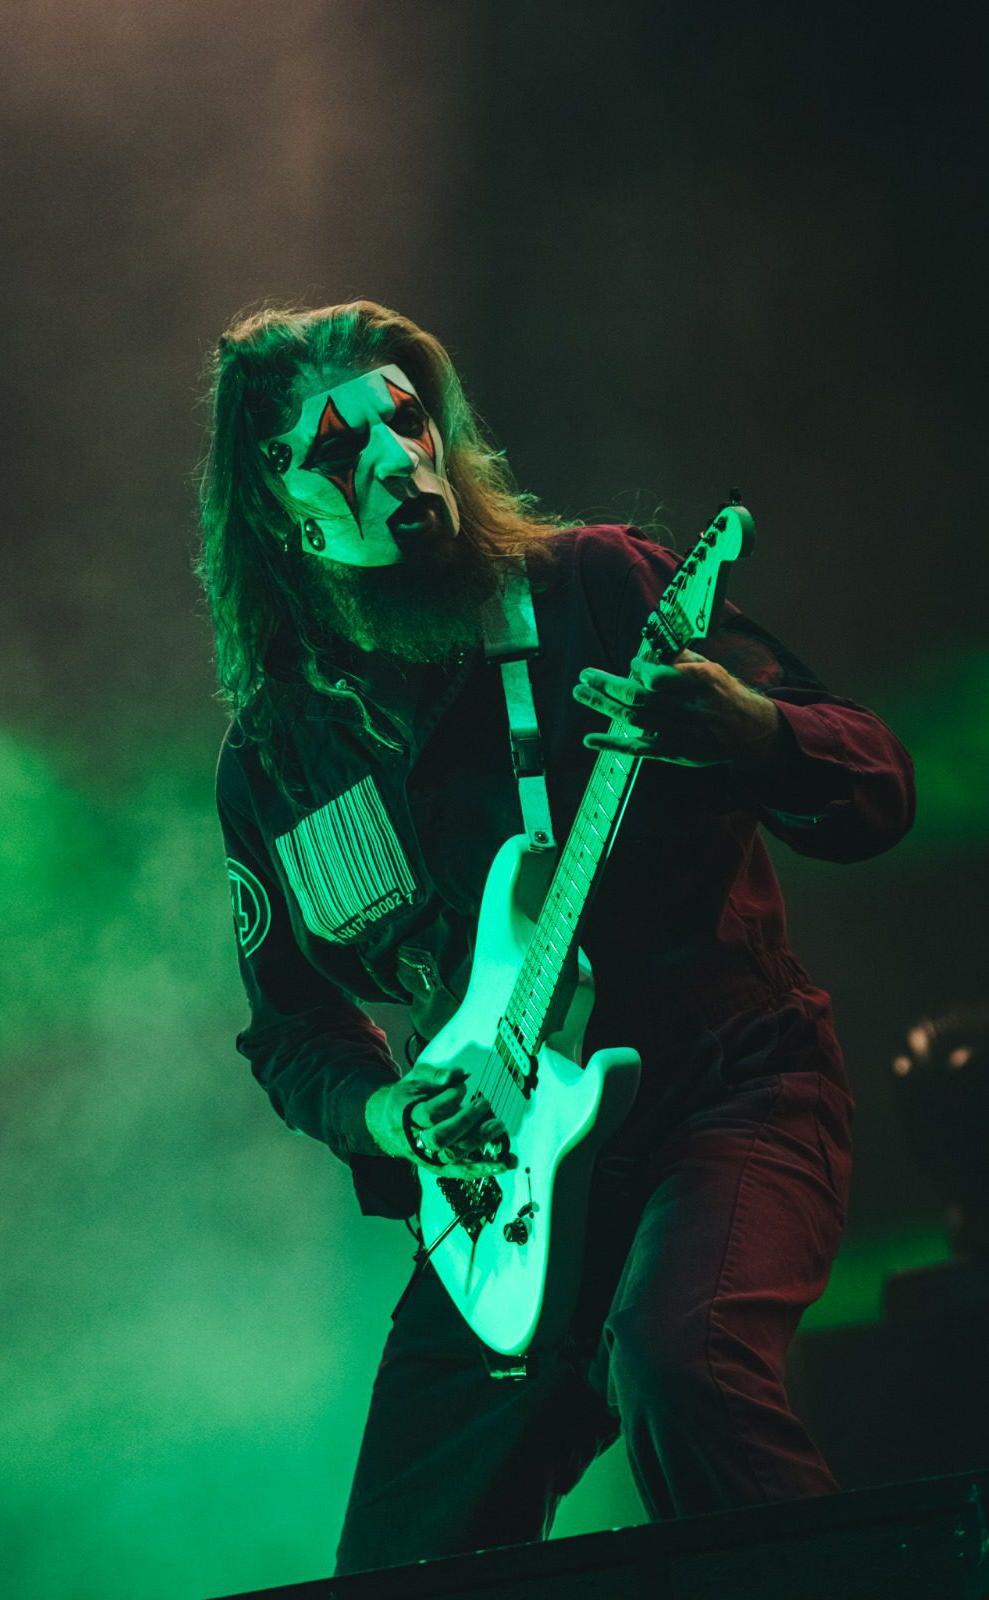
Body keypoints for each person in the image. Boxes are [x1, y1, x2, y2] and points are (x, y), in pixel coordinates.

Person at [195, 299, 915, 1575]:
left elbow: (875, 787)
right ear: (274, 500)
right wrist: (397, 1117)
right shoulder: (279, 754)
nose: (394, 460)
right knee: (402, 1549)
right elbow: (296, 1029)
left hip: (723, 1097)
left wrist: (750, 730)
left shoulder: (596, 586)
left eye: (406, 421)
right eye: (336, 445)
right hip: (502, 1188)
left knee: (676, 1364)